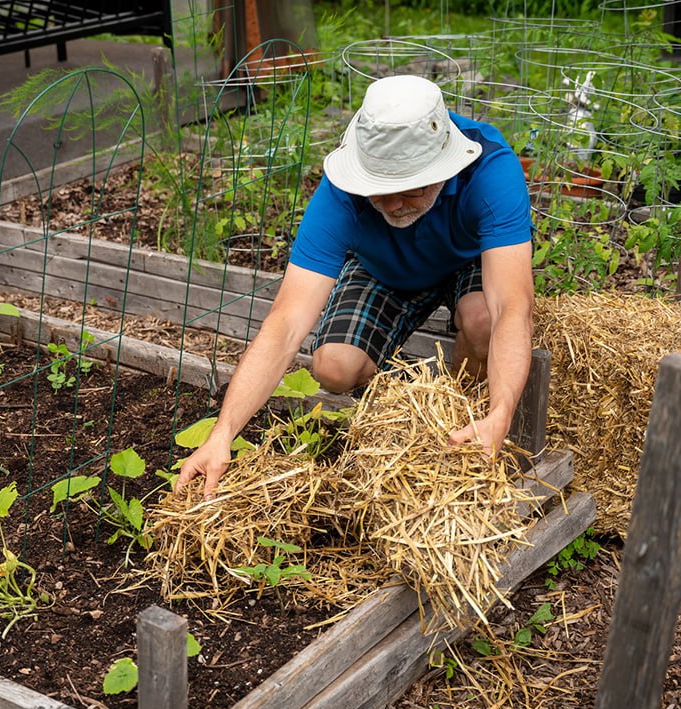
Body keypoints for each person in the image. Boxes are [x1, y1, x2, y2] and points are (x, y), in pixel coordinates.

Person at [176, 74, 534, 497]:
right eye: (379, 193)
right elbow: (287, 321)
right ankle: (397, 415)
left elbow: (514, 305)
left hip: (469, 257)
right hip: (385, 267)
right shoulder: (341, 193)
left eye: (408, 190)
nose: (393, 205)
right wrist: (223, 433)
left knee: (483, 321)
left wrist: (503, 411)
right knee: (334, 367)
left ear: (443, 167)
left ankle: (469, 421)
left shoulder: (490, 169)